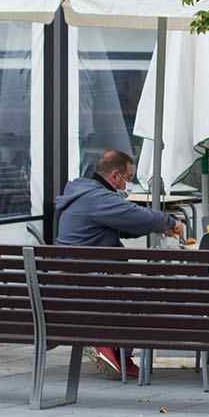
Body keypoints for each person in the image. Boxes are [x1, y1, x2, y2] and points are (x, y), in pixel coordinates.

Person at [55, 149, 182, 377]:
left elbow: (122, 226)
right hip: (91, 280)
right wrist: (169, 222)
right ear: (115, 176)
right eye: (128, 178)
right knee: (141, 295)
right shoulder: (98, 198)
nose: (128, 184)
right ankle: (110, 347)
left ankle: (116, 351)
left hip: (77, 276)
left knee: (133, 289)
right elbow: (133, 214)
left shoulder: (85, 193)